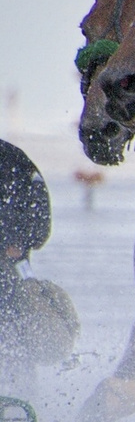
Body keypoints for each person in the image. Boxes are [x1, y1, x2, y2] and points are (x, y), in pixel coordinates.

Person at [0, 139, 78, 393]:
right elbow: (40, 227)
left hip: (8, 276)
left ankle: (18, 400)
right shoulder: (15, 159)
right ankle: (20, 401)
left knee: (12, 345)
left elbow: (38, 228)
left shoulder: (11, 159)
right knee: (14, 349)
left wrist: (15, 240)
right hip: (12, 273)